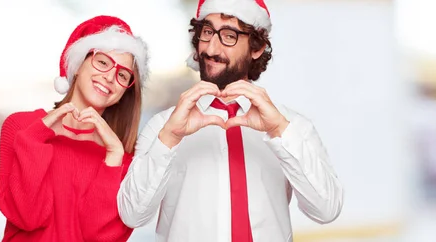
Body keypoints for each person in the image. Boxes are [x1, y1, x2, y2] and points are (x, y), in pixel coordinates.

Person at [117, 0, 343, 241]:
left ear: (257, 47)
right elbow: (133, 216)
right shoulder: (163, 126)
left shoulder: (292, 126)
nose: (212, 49)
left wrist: (279, 130)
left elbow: (326, 210)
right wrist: (169, 139)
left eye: (229, 35)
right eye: (207, 32)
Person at [0, 15, 149, 242]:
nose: (109, 77)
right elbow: (28, 216)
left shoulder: (121, 156)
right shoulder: (21, 127)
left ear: (123, 93)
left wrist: (114, 157)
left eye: (123, 75)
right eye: (103, 62)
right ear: (77, 66)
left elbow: (98, 236)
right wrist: (36, 138)